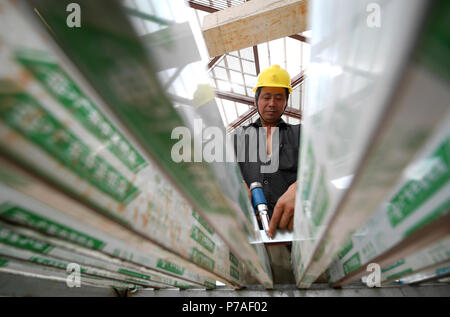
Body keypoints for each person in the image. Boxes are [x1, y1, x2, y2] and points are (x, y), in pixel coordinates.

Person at [232, 65, 300, 239]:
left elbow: (321, 168)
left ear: (286, 102)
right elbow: (220, 171)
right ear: (256, 99)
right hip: (249, 233)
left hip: (294, 232)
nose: (272, 103)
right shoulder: (238, 137)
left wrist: (301, 187)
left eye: (278, 98)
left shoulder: (300, 134)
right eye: (266, 97)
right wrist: (236, 183)